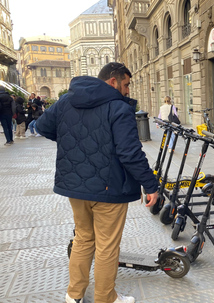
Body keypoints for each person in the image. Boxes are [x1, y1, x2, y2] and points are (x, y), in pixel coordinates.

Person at [36, 62, 159, 303]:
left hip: (76, 186)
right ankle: (105, 298)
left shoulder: (65, 101)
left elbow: (42, 126)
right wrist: (151, 185)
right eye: (125, 85)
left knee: (83, 238)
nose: (127, 91)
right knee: (106, 246)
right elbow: (130, 152)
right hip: (109, 188)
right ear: (113, 81)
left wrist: (73, 142)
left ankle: (73, 296)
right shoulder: (118, 108)